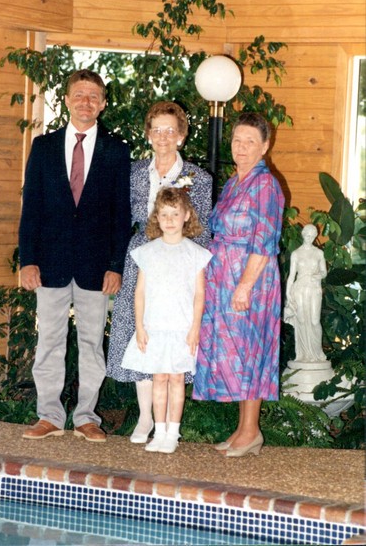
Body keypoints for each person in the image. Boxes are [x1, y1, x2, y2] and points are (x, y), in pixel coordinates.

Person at [19, 69, 131, 442]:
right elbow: (31, 208)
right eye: (79, 95)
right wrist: (27, 260)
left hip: (96, 268)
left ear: (103, 103)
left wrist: (115, 265)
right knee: (49, 341)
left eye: (93, 96)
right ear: (67, 100)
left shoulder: (116, 152)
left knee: (91, 345)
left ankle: (86, 417)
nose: (86, 102)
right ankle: (49, 415)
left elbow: (121, 215)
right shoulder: (44, 147)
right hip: (49, 263)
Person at [106, 101, 212, 444]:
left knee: (172, 338)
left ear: (181, 135)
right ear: (148, 134)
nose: (163, 137)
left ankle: (169, 426)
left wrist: (187, 265)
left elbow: (203, 231)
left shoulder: (199, 178)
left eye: (170, 130)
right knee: (143, 336)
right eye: (157, 130)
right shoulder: (134, 172)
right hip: (142, 258)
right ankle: (145, 418)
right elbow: (120, 220)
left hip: (179, 263)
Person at [192, 112, 285, 458]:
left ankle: (251, 431)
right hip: (224, 278)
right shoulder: (235, 182)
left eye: (250, 141)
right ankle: (245, 429)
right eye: (237, 140)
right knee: (240, 353)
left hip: (252, 280)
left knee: (252, 352)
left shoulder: (265, 185)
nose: (242, 147)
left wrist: (244, 286)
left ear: (265, 146)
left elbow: (265, 241)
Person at [121, 188, 212, 453]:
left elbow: (200, 294)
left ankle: (173, 432)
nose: (170, 220)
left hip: (181, 329)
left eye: (175, 214)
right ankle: (159, 431)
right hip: (155, 328)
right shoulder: (148, 252)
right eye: (164, 215)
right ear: (156, 218)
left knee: (176, 379)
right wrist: (140, 327)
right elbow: (139, 292)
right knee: (158, 378)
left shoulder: (195, 253)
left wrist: (195, 328)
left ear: (186, 216)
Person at [283, 224, 327, 363]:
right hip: (299, 289)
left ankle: (317, 353)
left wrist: (318, 276)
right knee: (301, 320)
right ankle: (303, 355)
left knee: (314, 321)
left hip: (314, 288)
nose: (310, 238)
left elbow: (324, 272)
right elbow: (291, 276)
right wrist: (288, 294)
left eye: (313, 236)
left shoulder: (319, 253)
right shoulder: (296, 253)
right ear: (303, 235)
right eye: (308, 235)